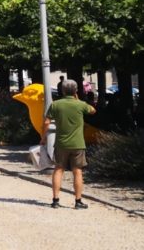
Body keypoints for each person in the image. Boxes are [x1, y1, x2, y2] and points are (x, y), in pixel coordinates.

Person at [43, 79, 96, 209]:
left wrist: (43, 137)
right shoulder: (80, 105)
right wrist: (78, 100)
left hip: (61, 143)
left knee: (58, 170)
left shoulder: (55, 105)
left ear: (62, 90)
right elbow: (93, 110)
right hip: (78, 144)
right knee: (77, 172)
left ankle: (55, 200)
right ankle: (78, 201)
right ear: (76, 91)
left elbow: (46, 122)